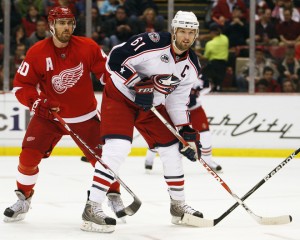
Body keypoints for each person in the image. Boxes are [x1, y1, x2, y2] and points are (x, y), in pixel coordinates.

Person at [81, 10, 204, 233]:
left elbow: (177, 100)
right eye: (183, 31)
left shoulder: (191, 65)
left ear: (196, 35)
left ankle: (178, 207)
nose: (186, 37)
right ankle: (92, 207)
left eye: (191, 32)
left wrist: (185, 130)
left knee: (172, 149)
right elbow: (115, 58)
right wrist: (139, 82)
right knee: (117, 148)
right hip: (120, 98)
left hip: (152, 106)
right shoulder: (152, 42)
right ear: (174, 30)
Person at [2, 6, 116, 224]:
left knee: (103, 160)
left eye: (70, 22)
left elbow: (106, 74)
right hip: (49, 117)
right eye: (62, 23)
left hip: (84, 115)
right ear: (51, 25)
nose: (67, 27)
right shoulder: (37, 51)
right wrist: (36, 102)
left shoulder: (87, 46)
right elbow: (21, 86)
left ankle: (113, 195)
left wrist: (121, 88)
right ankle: (23, 197)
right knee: (28, 157)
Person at [144, 82, 222, 172]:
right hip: (173, 109)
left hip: (194, 109)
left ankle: (209, 161)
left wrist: (195, 95)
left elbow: (206, 88)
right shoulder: (172, 70)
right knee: (162, 136)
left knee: (205, 135)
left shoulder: (200, 76)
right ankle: (149, 159)